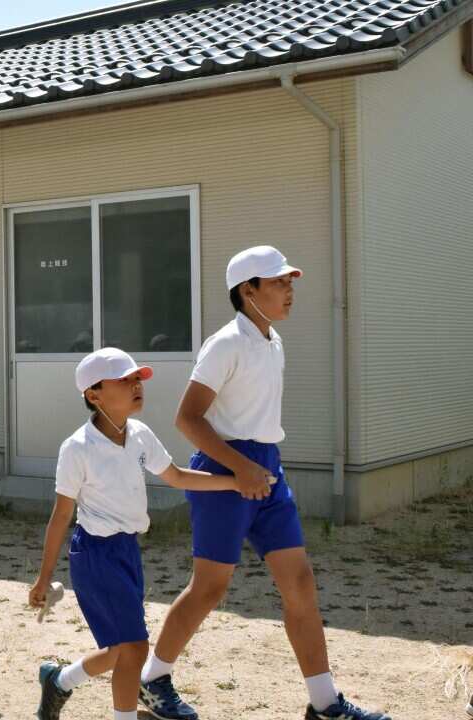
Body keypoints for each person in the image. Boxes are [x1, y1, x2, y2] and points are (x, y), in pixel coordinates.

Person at [139, 247, 390, 720]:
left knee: (300, 584)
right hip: (223, 472)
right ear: (246, 291)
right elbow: (187, 419)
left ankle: (325, 704)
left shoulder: (273, 341)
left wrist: (259, 468)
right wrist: (240, 470)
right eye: (278, 283)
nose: (289, 290)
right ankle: (152, 679)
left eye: (289, 281)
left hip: (268, 471)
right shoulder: (225, 343)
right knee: (209, 589)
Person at [28, 348, 240, 720]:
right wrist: (44, 578)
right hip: (95, 554)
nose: (136, 385)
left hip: (128, 551)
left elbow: (175, 475)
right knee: (135, 648)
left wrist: (233, 482)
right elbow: (61, 515)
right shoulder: (77, 448)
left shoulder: (139, 435)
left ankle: (58, 680)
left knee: (118, 652)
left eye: (137, 378)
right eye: (124, 380)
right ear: (93, 395)